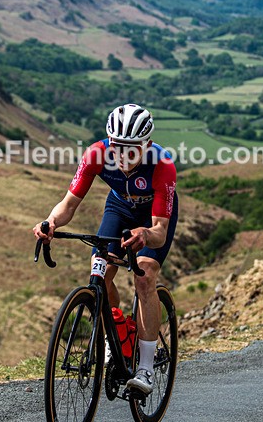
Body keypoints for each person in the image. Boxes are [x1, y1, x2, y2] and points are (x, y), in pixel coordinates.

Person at [33, 103, 178, 395]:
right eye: (118, 147)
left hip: (152, 219)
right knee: (100, 269)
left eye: (132, 149)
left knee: (145, 275)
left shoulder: (163, 165)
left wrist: (144, 235)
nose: (123, 155)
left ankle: (146, 369)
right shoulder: (96, 154)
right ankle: (117, 337)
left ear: (147, 145)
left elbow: (160, 232)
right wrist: (50, 223)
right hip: (119, 208)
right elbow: (69, 204)